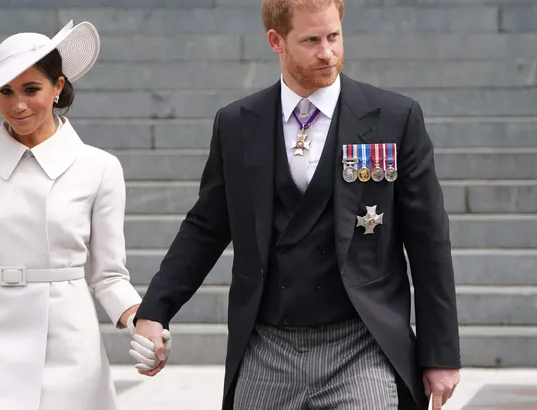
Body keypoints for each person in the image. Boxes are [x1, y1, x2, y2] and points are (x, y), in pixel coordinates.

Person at [131, 1, 461, 409]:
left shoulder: (395, 117)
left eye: (334, 36)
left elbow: (429, 240)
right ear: (276, 41)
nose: (328, 52)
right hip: (266, 345)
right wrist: (154, 311)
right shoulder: (236, 123)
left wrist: (441, 353)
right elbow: (205, 226)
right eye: (311, 40)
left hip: (362, 344)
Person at [0, 21, 169, 410]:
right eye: (6, 91)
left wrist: (145, 325)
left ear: (58, 87)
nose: (18, 105)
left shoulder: (99, 167)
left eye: (31, 89)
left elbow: (110, 277)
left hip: (68, 349)